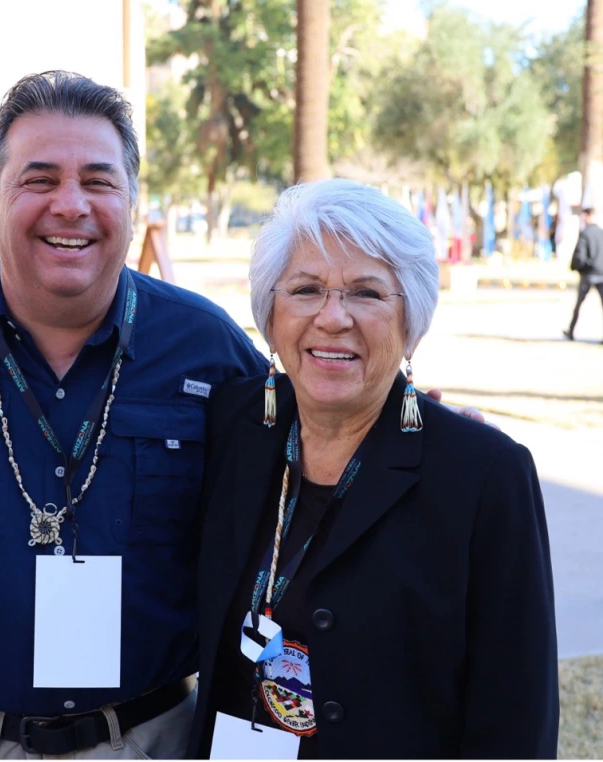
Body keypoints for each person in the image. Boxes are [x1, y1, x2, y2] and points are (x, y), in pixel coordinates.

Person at [0, 71, 267, 758]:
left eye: (99, 182)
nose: (70, 205)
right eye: (39, 180)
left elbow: (294, 497)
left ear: (133, 204)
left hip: (154, 740)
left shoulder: (210, 352)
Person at [187, 180, 559, 759]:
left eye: (366, 293)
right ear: (269, 312)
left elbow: (516, 719)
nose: (333, 318)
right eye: (306, 289)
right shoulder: (233, 429)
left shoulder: (484, 476)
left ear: (410, 323)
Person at [563, 204, 603, 343]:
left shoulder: (585, 234)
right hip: (601, 273)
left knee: (578, 305)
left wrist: (577, 268)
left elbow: (580, 256)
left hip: (588, 274)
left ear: (586, 216)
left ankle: (571, 330)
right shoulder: (601, 233)